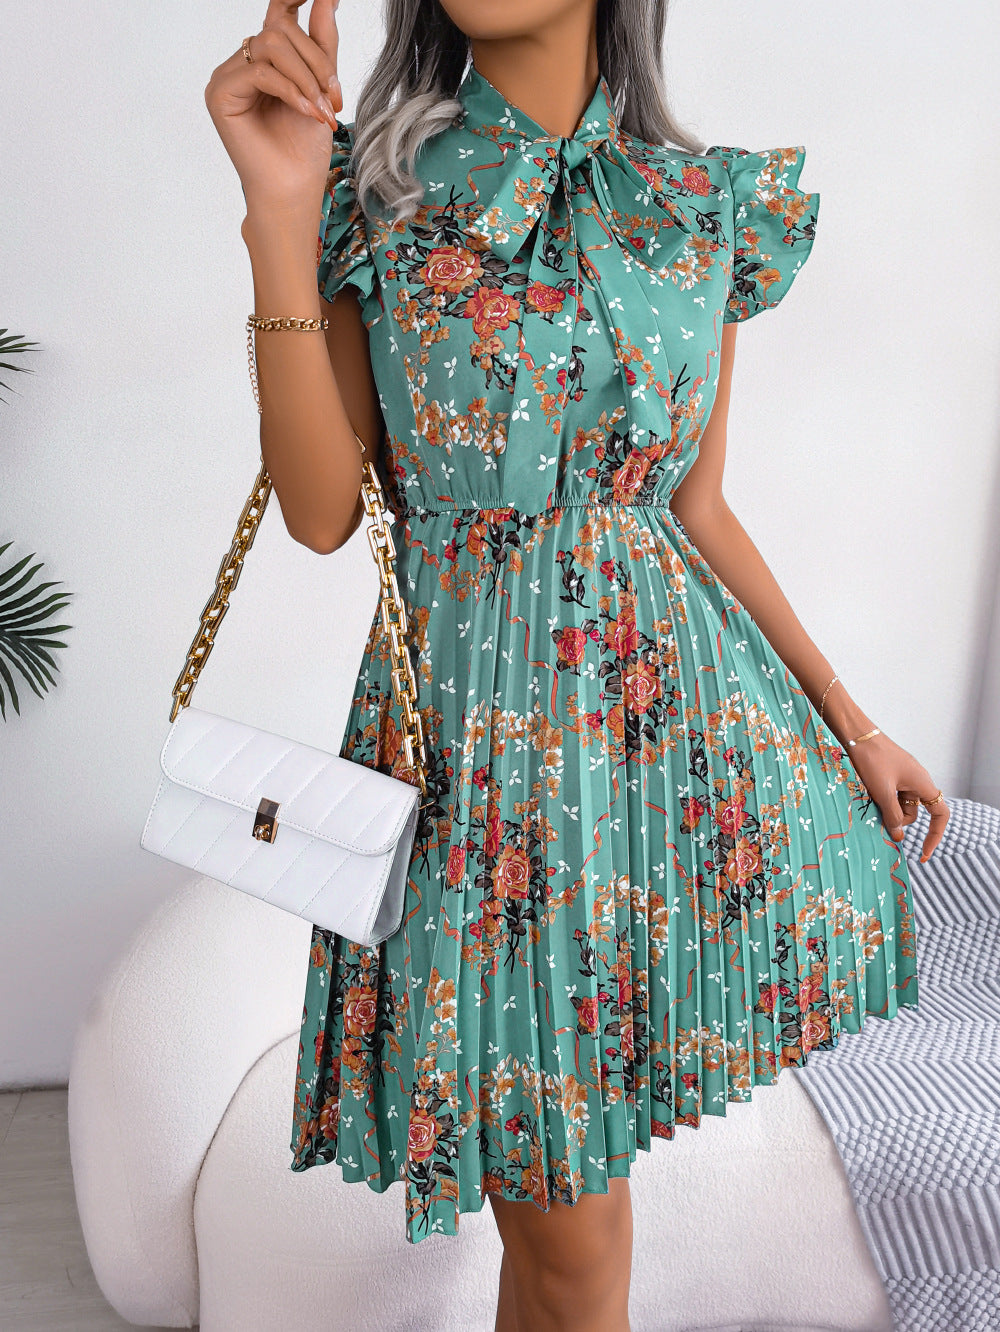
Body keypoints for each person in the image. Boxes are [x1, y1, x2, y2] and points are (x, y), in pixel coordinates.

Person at [205, 2, 949, 1327]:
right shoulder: (374, 193)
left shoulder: (704, 208)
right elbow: (321, 512)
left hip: (658, 772)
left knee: (571, 1232)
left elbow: (694, 507)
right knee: (571, 1237)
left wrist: (852, 720)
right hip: (476, 775)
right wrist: (277, 211)